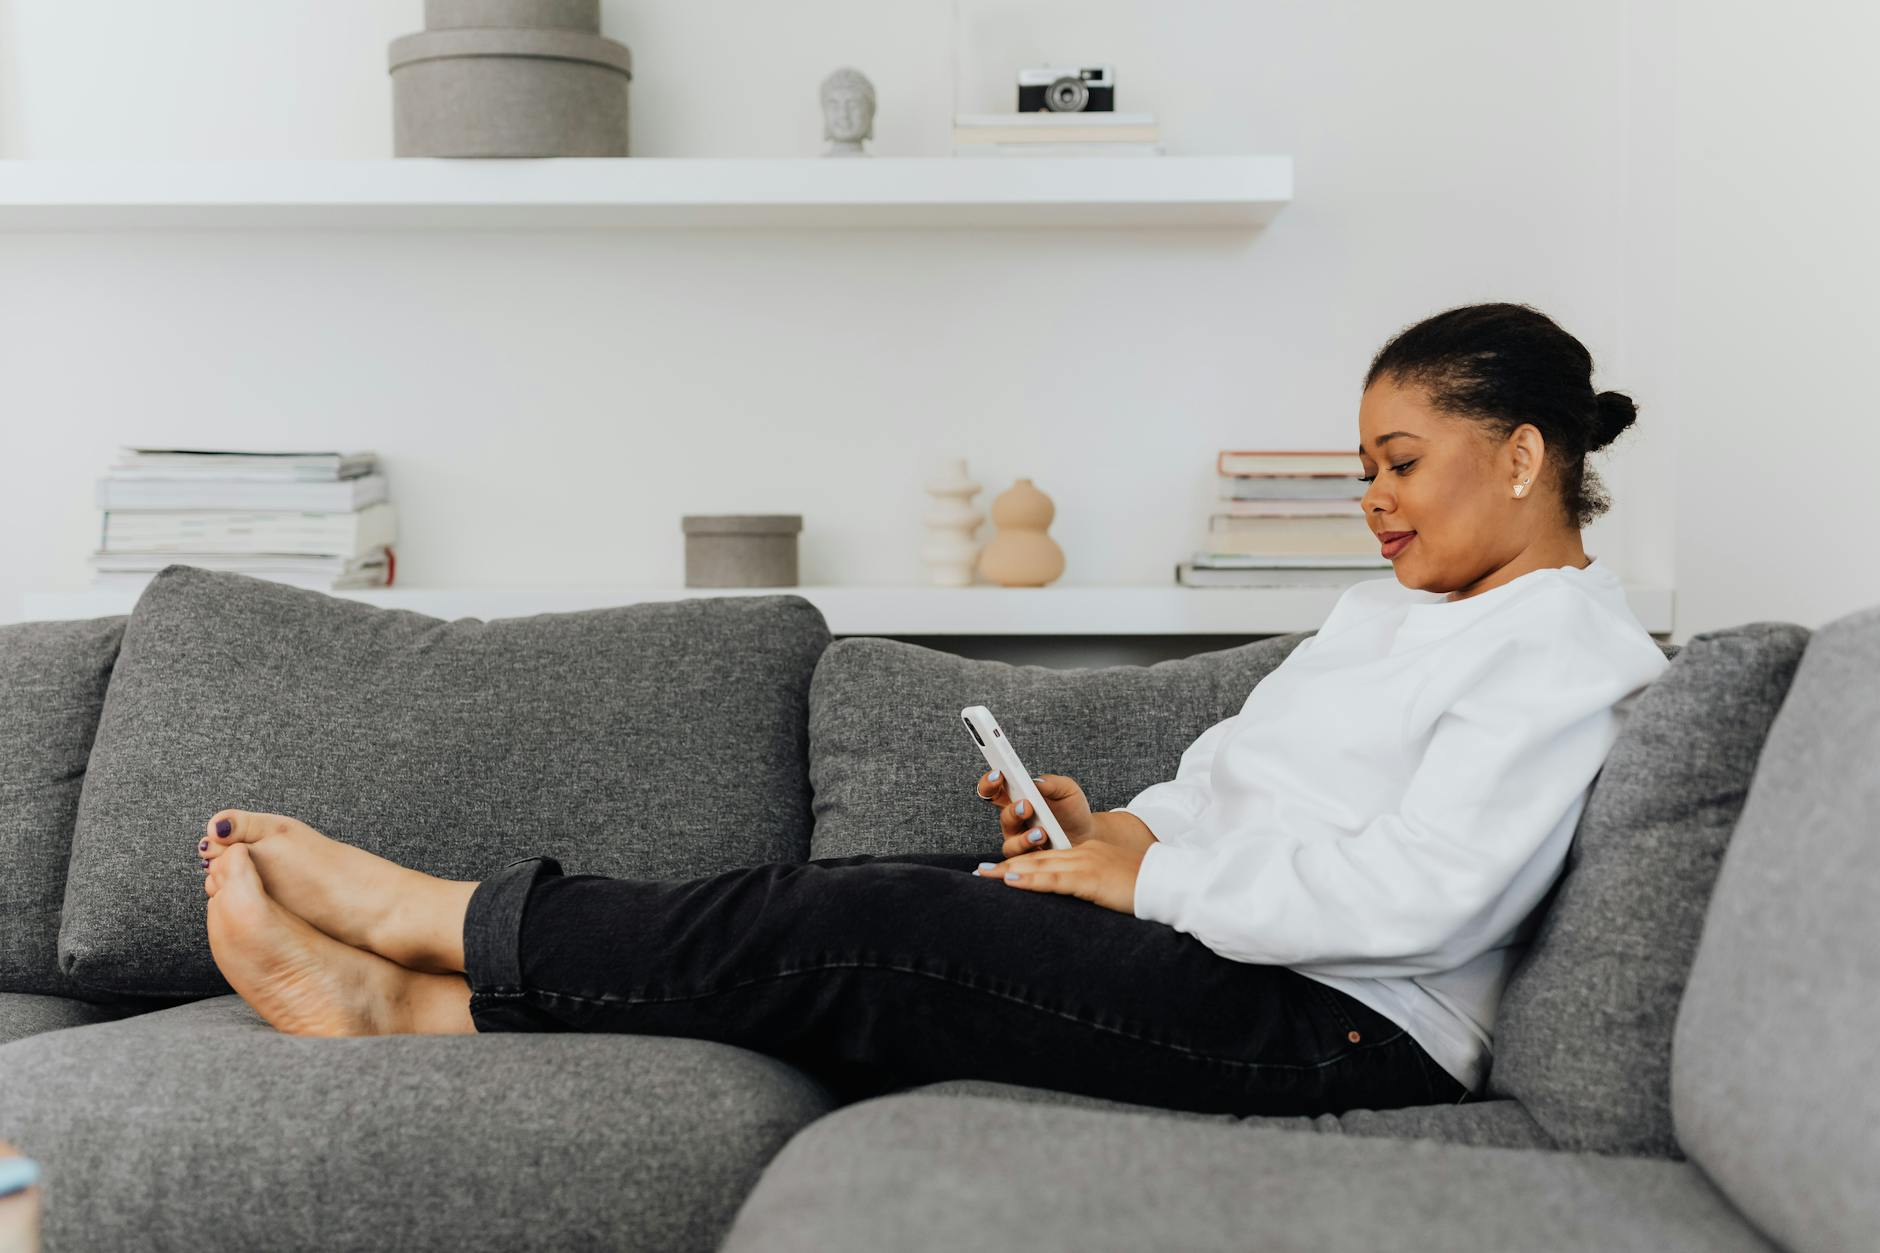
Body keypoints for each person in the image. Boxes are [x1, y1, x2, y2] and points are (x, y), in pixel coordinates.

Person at [194, 302, 1669, 1118]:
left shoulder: (1571, 658)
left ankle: (429, 920)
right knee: (857, 895)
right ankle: (411, 1010)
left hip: (1342, 1028)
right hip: (1232, 953)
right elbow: (1242, 781)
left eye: (1400, 464)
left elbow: (1423, 897)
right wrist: (1117, 833)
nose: (1374, 503)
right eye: (1367, 469)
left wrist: (1151, 880)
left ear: (1525, 454)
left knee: (877, 933)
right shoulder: (1393, 617)